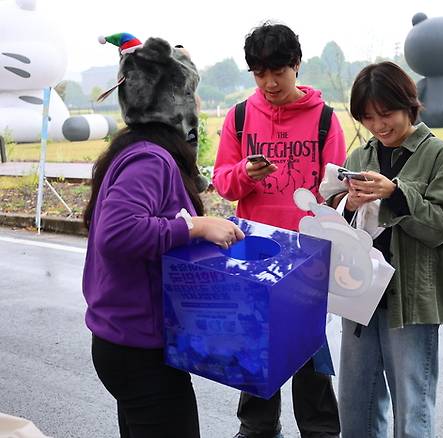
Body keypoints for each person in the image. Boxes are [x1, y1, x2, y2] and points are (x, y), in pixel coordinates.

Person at [82, 35, 244, 438]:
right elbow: (118, 232)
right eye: (192, 94)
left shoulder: (135, 149)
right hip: (138, 347)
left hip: (123, 341)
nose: (199, 106)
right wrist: (195, 225)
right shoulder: (151, 159)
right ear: (176, 102)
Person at [212, 22, 346, 438]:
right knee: (255, 347)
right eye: (259, 73)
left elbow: (337, 192)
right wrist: (246, 174)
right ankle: (257, 429)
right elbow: (223, 181)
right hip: (254, 253)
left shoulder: (325, 120)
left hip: (307, 256)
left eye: (279, 71)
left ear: (297, 65)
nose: (269, 82)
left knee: (309, 351)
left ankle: (320, 431)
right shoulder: (238, 116)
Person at [331, 61, 443, 438]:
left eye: (386, 113)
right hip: (361, 296)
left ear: (409, 104)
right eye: (368, 117)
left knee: (412, 407)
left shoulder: (439, 155)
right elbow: (341, 227)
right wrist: (348, 206)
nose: (379, 125)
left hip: (412, 298)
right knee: (356, 404)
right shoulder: (360, 158)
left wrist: (396, 194)